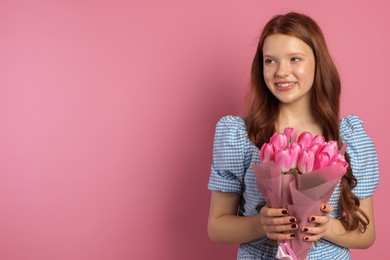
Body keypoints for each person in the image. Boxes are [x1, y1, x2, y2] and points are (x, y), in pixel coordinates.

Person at [207, 12, 379, 259]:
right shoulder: (240, 136)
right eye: (270, 61)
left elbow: (367, 234)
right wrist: (261, 224)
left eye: (295, 59)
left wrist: (324, 226)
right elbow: (217, 227)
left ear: (318, 63)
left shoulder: (350, 139)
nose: (281, 71)